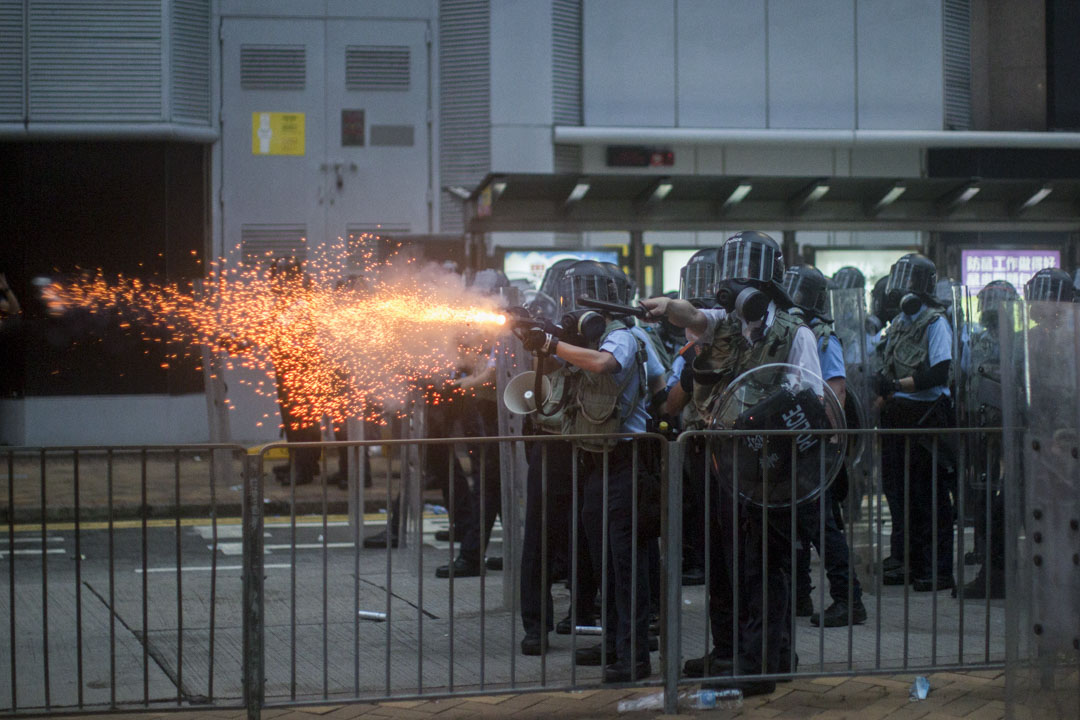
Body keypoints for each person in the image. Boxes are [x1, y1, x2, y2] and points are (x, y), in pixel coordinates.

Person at [642, 231, 825, 697]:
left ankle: (762, 659)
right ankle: (729, 650)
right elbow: (694, 316)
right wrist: (665, 305)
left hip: (769, 469)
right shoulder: (726, 325)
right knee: (725, 561)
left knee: (763, 566)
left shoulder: (795, 332)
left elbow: (811, 397)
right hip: (725, 462)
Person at [521, 259, 653, 683]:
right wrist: (540, 340)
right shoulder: (596, 338)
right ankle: (615, 646)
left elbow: (602, 366)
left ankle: (633, 657)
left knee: (625, 564)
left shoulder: (625, 336)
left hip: (626, 460)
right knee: (606, 563)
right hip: (597, 461)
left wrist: (552, 345)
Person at [783, 265, 867, 627]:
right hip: (793, 439)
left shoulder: (823, 337)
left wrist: (831, 447)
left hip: (815, 445)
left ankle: (849, 599)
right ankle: (800, 595)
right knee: (796, 522)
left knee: (821, 526)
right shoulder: (787, 330)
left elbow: (837, 392)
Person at [874, 254, 955, 592]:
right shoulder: (898, 324)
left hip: (926, 416)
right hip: (898, 416)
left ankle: (936, 568)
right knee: (900, 493)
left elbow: (939, 372)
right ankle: (908, 560)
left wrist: (897, 386)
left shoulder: (936, 322)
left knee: (929, 497)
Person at [957, 280, 1016, 599]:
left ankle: (998, 562)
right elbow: (966, 377)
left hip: (1008, 426)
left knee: (1003, 496)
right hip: (980, 424)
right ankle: (982, 548)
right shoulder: (976, 340)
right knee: (981, 489)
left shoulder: (1017, 342)